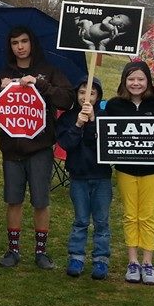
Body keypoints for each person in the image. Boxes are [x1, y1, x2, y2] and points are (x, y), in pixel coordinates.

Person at [0, 26, 72, 270]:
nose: (20, 46)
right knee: (13, 200)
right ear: (10, 47)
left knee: (40, 201)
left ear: (32, 43)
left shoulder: (49, 71)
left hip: (40, 147)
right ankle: (13, 249)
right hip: (12, 148)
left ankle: (41, 251)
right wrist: (1, 91)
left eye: (24, 41)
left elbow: (66, 99)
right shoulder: (4, 73)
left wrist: (39, 84)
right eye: (15, 43)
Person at [105, 61, 154, 285]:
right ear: (124, 81)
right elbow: (106, 135)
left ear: (148, 82)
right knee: (131, 215)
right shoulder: (114, 105)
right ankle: (132, 261)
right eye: (131, 79)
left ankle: (148, 262)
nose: (136, 83)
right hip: (125, 170)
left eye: (141, 79)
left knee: (148, 215)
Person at [56, 77, 112, 280]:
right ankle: (76, 256)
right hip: (78, 176)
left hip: (102, 176)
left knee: (101, 221)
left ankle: (101, 260)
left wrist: (93, 122)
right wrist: (79, 123)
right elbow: (66, 144)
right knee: (80, 220)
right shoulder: (68, 118)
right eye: (81, 92)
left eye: (91, 93)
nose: (86, 97)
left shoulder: (105, 116)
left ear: (98, 96)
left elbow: (103, 144)